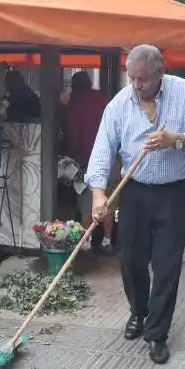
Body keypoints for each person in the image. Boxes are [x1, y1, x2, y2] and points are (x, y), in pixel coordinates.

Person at [86, 44, 185, 365]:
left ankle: (157, 333)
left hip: (173, 193)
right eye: (131, 77)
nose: (136, 84)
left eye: (142, 78)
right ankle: (138, 311)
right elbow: (103, 148)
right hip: (134, 193)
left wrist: (177, 139)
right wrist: (99, 194)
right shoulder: (120, 103)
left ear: (161, 72)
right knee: (129, 258)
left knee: (166, 265)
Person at [65, 71, 117, 254]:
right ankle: (107, 240)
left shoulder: (75, 104)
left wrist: (71, 153)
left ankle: (86, 243)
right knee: (107, 202)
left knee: (88, 204)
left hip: (88, 160)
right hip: (111, 159)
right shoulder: (102, 100)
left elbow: (74, 136)